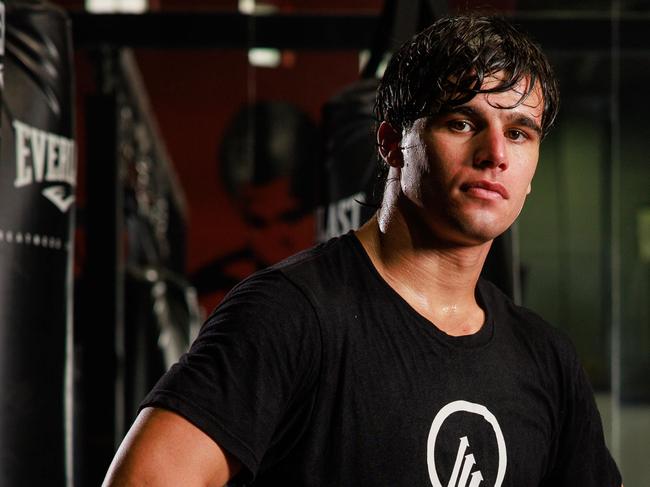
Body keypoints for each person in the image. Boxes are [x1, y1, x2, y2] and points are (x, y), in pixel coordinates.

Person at [103, 15, 623, 486]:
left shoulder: (545, 359)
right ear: (392, 144)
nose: (495, 155)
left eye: (519, 132)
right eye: (461, 123)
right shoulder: (287, 314)